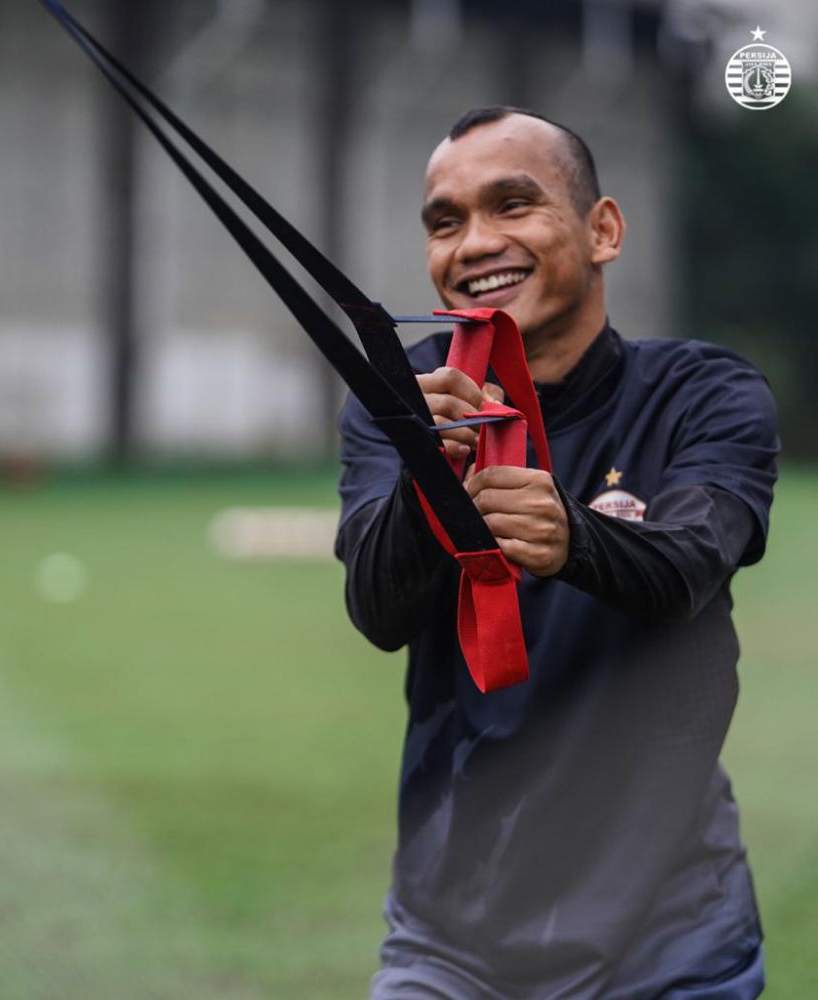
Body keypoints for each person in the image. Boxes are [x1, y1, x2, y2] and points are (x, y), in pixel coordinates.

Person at [334, 107, 779, 999]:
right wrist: (430, 476)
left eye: (512, 204)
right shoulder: (404, 398)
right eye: (446, 221)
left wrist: (575, 537)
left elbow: (689, 566)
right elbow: (377, 612)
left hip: (670, 939)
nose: (474, 244)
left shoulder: (705, 394)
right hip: (451, 937)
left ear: (602, 229)